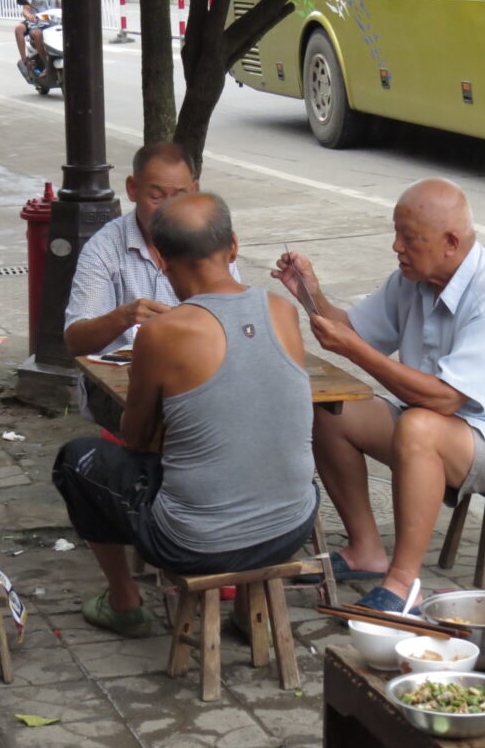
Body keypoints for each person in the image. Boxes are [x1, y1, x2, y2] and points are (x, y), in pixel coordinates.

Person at [273, 178, 485, 612]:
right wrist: (310, 294)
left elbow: (446, 399)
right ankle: (365, 550)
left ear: (451, 243)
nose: (397, 247)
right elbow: (354, 331)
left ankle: (403, 583)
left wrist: (355, 351)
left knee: (419, 426)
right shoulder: (413, 280)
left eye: (409, 238)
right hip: (437, 422)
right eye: (396, 234)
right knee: (331, 410)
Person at [53, 192, 319, 637]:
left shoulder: (162, 333)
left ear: (160, 259)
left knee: (77, 459)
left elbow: (136, 438)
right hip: (293, 527)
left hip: (194, 544)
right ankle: (247, 610)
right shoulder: (282, 310)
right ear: (233, 247)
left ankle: (124, 602)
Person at [64, 142, 239, 419]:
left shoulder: (207, 241)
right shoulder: (104, 248)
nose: (168, 211)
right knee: (173, 416)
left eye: (179, 197)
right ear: (133, 189)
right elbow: (75, 342)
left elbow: (234, 317)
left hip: (192, 373)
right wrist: (125, 316)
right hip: (118, 384)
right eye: (156, 197)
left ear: (194, 191)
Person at [15, 0, 60, 77]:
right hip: (37, 21)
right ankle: (26, 60)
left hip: (53, 22)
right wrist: (29, 15)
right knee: (22, 29)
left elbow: (61, 6)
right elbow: (25, 10)